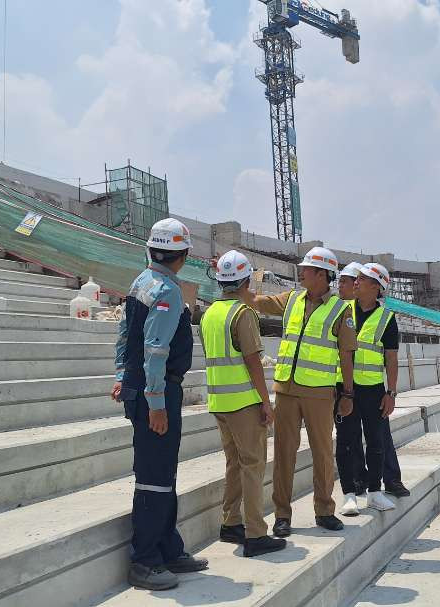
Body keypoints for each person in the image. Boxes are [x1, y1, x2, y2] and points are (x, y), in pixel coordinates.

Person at [112, 218, 208, 590]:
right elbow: (155, 351)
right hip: (158, 391)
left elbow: (124, 336)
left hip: (144, 387)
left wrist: (122, 375)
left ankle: (169, 548)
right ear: (182, 256)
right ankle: (145, 560)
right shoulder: (168, 291)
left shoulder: (141, 283)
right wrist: (156, 404)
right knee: (154, 477)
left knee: (163, 472)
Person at [240, 246, 355, 537]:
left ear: (322, 274)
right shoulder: (291, 299)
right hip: (287, 389)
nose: (301, 272)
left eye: (306, 269)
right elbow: (255, 301)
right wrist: (233, 278)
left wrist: (348, 394)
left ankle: (325, 510)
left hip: (319, 392)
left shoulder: (341, 309)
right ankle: (282, 515)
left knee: (322, 453)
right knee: (284, 454)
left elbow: (346, 355)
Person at [202, 250, 287, 558]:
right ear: (246, 280)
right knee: (252, 466)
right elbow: (253, 361)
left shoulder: (210, 313)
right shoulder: (243, 313)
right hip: (243, 402)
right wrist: (266, 403)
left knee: (234, 463)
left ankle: (230, 523)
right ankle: (255, 534)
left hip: (219, 401)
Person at [334, 262, 409, 504]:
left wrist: (391, 392)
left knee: (376, 441)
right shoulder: (342, 309)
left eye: (362, 279)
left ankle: (377, 489)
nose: (356, 281)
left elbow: (391, 358)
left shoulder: (386, 318)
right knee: (347, 440)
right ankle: (353, 491)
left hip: (373, 389)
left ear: (377, 286)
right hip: (344, 388)